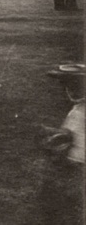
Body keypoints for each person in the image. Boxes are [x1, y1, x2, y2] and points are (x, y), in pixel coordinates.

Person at [40, 63, 84, 224]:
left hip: (77, 170)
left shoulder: (79, 113)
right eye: (66, 85)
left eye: (76, 85)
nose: (70, 90)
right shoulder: (77, 110)